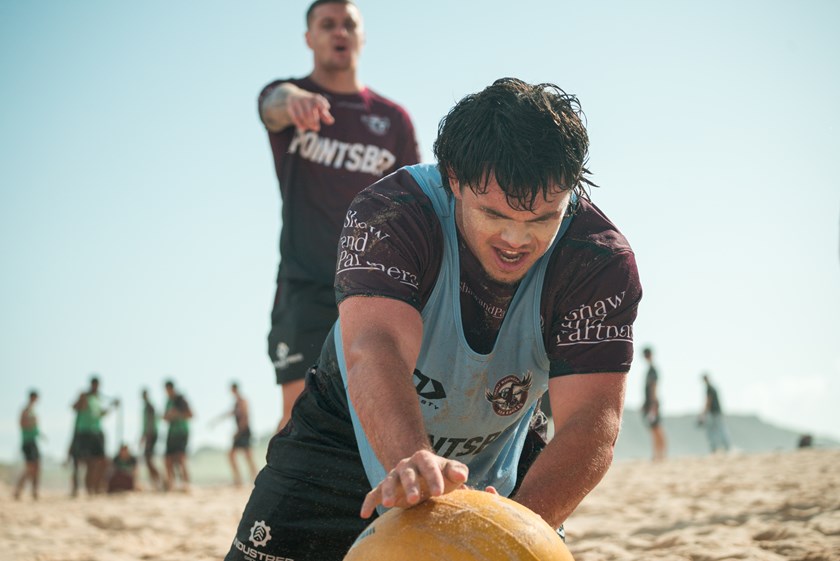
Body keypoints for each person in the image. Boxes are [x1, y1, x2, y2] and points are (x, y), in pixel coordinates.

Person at [224, 78, 642, 561]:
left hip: (501, 453)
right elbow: (375, 346)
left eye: (542, 220)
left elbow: (592, 422)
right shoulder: (391, 213)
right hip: (344, 435)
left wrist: (509, 532)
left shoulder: (597, 259)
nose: (515, 240)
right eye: (493, 214)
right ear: (453, 179)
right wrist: (409, 460)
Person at [259, 0, 421, 433]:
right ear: (309, 39)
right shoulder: (288, 101)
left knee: (378, 409)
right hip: (306, 284)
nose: (339, 32)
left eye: (348, 24)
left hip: (375, 285)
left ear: (362, 36)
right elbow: (272, 104)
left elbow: (417, 206)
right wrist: (293, 100)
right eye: (327, 24)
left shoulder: (392, 119)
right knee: (300, 417)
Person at [71, 376, 115, 495]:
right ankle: (78, 488)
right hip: (84, 433)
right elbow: (74, 407)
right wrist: (82, 399)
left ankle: (92, 487)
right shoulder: (85, 396)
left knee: (99, 461)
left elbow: (99, 414)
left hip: (96, 432)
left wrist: (112, 407)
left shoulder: (98, 399)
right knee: (82, 462)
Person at [224, 383, 259, 486]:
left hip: (244, 431)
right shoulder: (236, 403)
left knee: (247, 455)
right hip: (241, 431)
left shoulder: (243, 401)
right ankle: (239, 479)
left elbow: (245, 417)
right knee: (235, 455)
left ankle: (253, 478)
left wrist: (238, 432)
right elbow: (229, 413)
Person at [163, 380, 193, 491]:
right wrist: (169, 416)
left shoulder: (181, 400)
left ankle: (186, 484)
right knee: (168, 460)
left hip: (182, 432)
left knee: (181, 459)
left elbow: (191, 414)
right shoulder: (168, 401)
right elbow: (164, 417)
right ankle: (171, 485)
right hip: (171, 433)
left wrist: (177, 414)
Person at [14, 390, 41, 500]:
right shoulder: (25, 410)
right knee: (29, 468)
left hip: (33, 441)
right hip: (27, 442)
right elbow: (22, 424)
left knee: (37, 467)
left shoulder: (32, 410)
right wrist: (32, 423)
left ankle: (34, 491)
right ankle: (18, 490)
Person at [641, 346, 667, 461]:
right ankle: (656, 454)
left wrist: (653, 404)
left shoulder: (653, 371)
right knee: (653, 429)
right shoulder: (649, 370)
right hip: (650, 403)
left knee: (657, 429)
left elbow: (654, 388)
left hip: (653, 403)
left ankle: (661, 455)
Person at [698, 373, 731, 453]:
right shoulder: (713, 388)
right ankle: (725, 447)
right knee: (720, 429)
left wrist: (703, 414)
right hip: (717, 412)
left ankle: (716, 447)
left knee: (713, 430)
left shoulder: (709, 388)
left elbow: (708, 402)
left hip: (713, 413)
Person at [139, 389, 162, 490]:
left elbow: (151, 422)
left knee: (148, 459)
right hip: (149, 434)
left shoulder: (150, 407)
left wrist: (147, 435)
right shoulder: (146, 407)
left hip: (151, 434)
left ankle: (159, 481)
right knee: (148, 459)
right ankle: (156, 481)